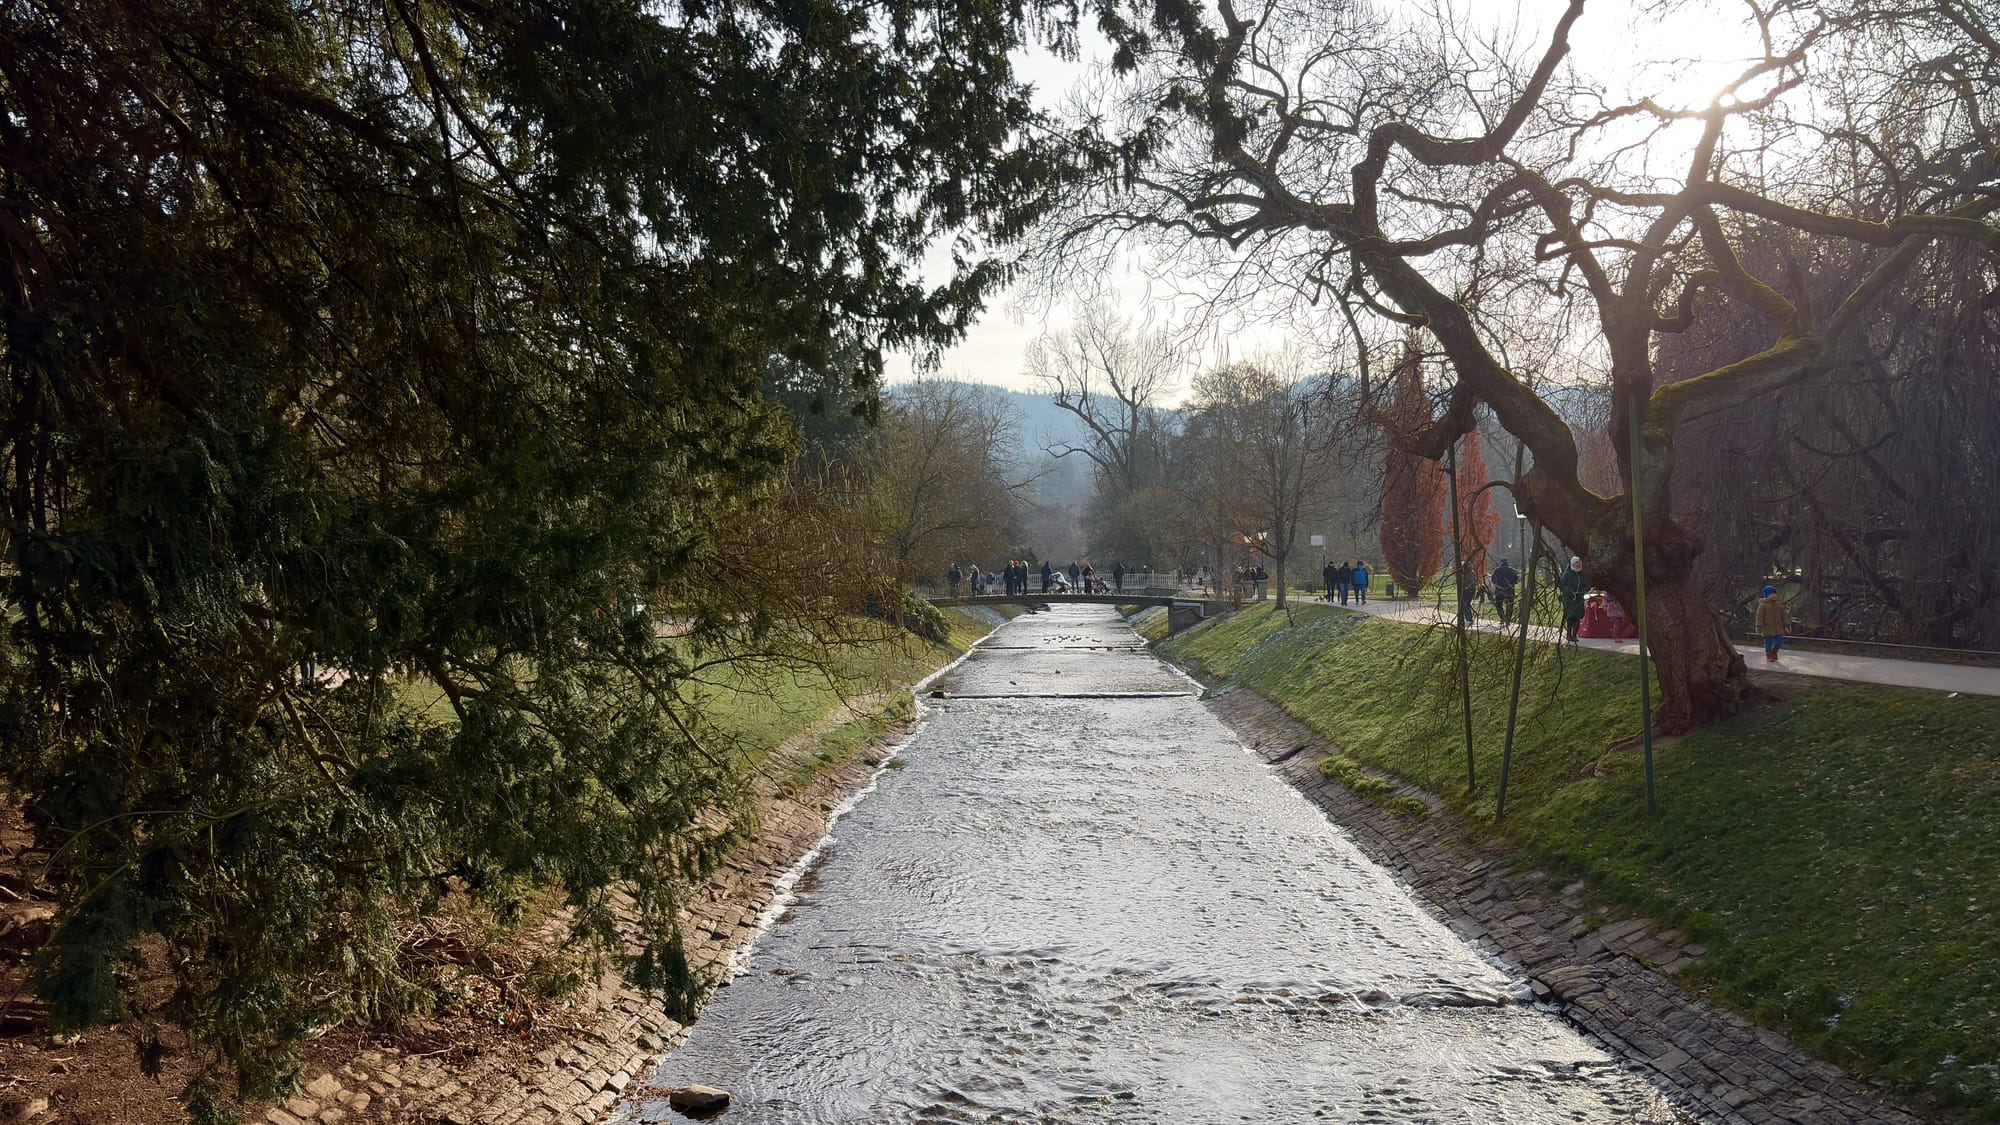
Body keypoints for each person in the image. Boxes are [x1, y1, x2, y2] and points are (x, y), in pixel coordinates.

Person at [1756, 584, 1790, 662]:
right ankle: (1769, 655)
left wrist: (1787, 624)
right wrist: (1758, 626)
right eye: (1772, 593)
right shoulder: (1763, 605)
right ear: (1767, 595)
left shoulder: (1778, 604)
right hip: (1767, 627)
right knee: (1768, 642)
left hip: (1778, 627)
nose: (1774, 595)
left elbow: (1783, 615)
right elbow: (1759, 616)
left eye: (1775, 593)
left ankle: (1774, 651)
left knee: (1780, 640)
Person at [1559, 556, 1588, 643]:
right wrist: (1569, 592)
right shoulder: (1567, 574)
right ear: (1572, 563)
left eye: (1579, 563)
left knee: (1578, 617)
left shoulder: (1582, 574)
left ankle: (1574, 635)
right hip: (1569, 599)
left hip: (1579, 599)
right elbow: (1562, 585)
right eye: (1576, 563)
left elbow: (1586, 584)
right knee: (1570, 617)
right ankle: (1569, 634)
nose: (1577, 565)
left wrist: (1584, 590)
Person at [1490, 557, 1518, 622]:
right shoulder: (1512, 570)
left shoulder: (1497, 570)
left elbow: (1493, 580)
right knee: (1510, 605)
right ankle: (1508, 618)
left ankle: (1502, 617)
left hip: (1499, 590)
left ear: (1501, 563)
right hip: (1510, 590)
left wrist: (1499, 586)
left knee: (1498, 605)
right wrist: (1509, 585)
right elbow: (1516, 580)